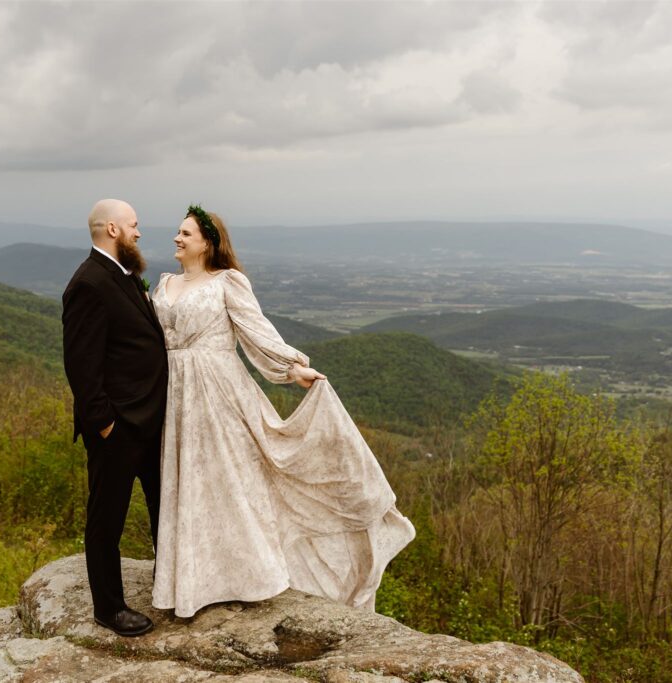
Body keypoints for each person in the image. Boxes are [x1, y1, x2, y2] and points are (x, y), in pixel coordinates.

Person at [150, 206, 416, 619]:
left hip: (220, 392)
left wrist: (292, 368)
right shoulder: (163, 285)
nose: (176, 238)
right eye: (178, 232)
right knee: (191, 482)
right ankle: (194, 579)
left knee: (235, 482)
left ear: (208, 242)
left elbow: (256, 331)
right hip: (175, 393)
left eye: (185, 233)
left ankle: (246, 576)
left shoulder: (227, 283)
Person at [62, 199, 168, 636]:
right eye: (134, 225)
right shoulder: (89, 283)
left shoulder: (125, 275)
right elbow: (81, 365)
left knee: (167, 508)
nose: (139, 233)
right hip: (118, 427)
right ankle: (109, 608)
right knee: (107, 519)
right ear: (112, 229)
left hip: (149, 421)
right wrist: (104, 423)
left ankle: (174, 587)